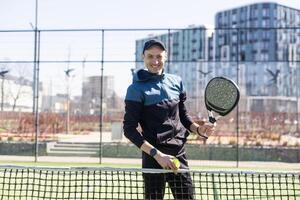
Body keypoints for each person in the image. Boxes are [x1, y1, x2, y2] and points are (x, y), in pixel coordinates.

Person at [123, 39, 215, 199]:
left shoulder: (176, 81)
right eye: (150, 56)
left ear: (166, 57)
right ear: (143, 57)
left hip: (179, 154)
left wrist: (198, 129)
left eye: (159, 56)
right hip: (153, 158)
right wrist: (157, 155)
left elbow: (184, 118)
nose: (155, 61)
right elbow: (129, 130)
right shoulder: (135, 89)